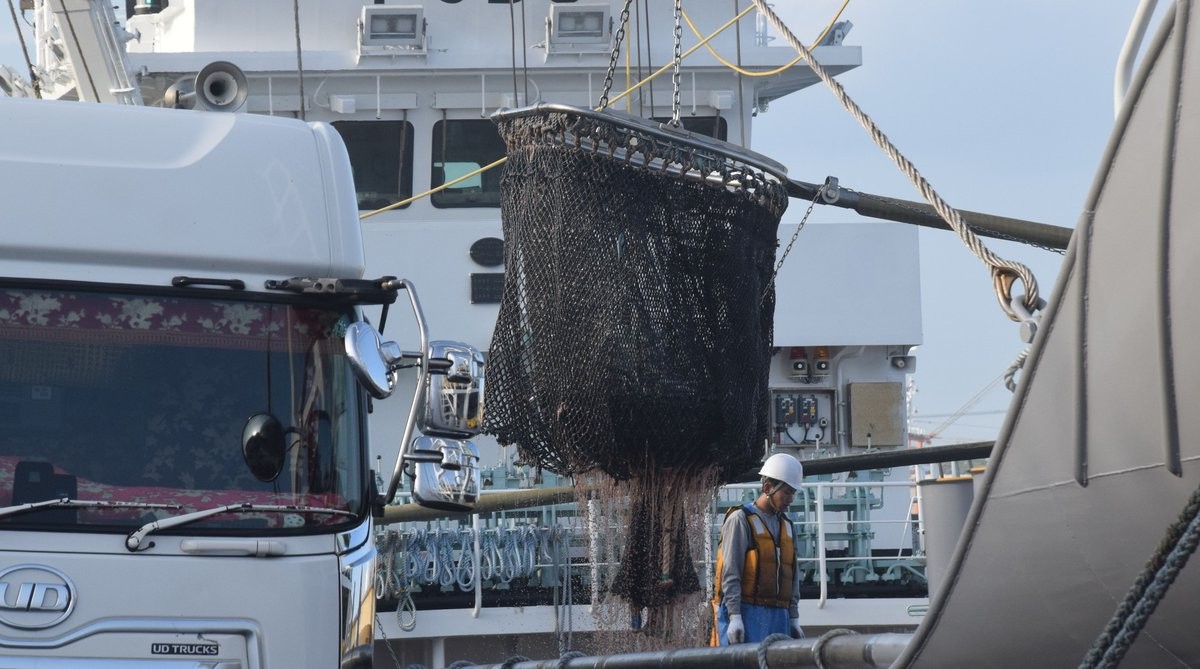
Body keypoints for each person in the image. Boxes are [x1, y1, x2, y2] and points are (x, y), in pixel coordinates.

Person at [710, 452, 805, 645]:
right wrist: (735, 616)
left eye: (793, 493)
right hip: (747, 612)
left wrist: (793, 617)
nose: (790, 499)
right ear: (768, 488)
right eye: (786, 492)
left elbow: (793, 575)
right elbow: (731, 571)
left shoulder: (787, 526)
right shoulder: (740, 520)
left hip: (780, 616)